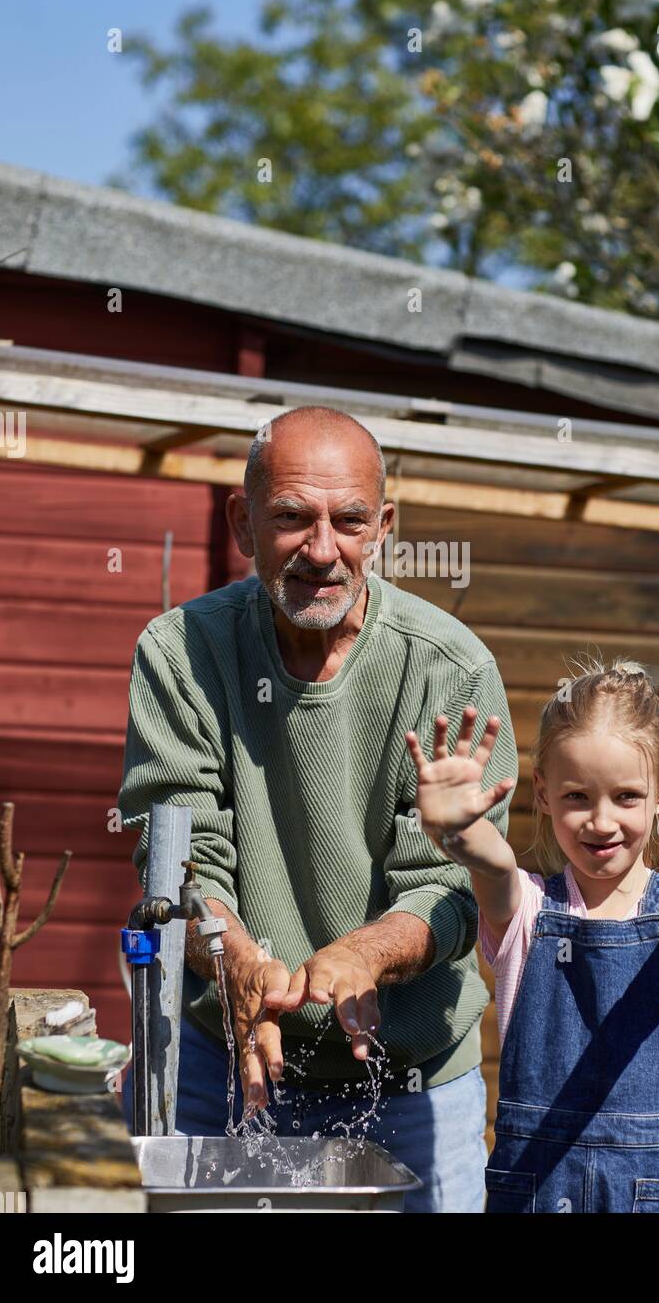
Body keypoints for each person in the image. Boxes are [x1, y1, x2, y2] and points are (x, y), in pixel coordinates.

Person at [118, 404, 518, 1213]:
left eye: (350, 521)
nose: (323, 550)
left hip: (409, 1083)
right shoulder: (181, 653)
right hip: (230, 1061)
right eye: (293, 518)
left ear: (385, 528)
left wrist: (365, 955)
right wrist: (238, 963)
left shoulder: (450, 670)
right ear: (242, 522)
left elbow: (452, 887)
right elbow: (182, 856)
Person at [404, 656, 659, 1214]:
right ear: (545, 793)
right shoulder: (525, 910)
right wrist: (459, 833)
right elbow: (493, 866)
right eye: (577, 796)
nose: (601, 821)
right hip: (539, 1188)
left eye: (626, 796)